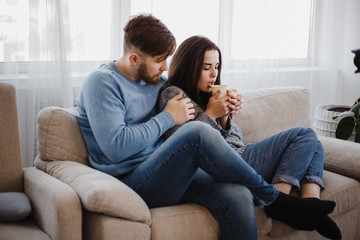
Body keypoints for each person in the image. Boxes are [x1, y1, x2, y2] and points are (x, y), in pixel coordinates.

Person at [76, 14, 340, 240]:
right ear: (134, 59)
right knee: (196, 132)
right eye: (160, 60)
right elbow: (115, 147)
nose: (166, 68)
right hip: (133, 182)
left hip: (169, 171)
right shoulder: (102, 83)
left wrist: (224, 115)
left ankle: (287, 202)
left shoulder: (155, 81)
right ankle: (277, 200)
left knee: (237, 195)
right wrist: (169, 117)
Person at [158, 35, 341, 239]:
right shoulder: (174, 94)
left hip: (239, 156)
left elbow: (236, 138)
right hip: (221, 166)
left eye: (217, 67)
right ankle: (278, 201)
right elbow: (182, 144)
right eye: (206, 67)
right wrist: (211, 114)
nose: (213, 74)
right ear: (188, 66)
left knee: (314, 143)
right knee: (304, 134)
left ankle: (311, 205)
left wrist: (226, 117)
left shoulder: (209, 94)